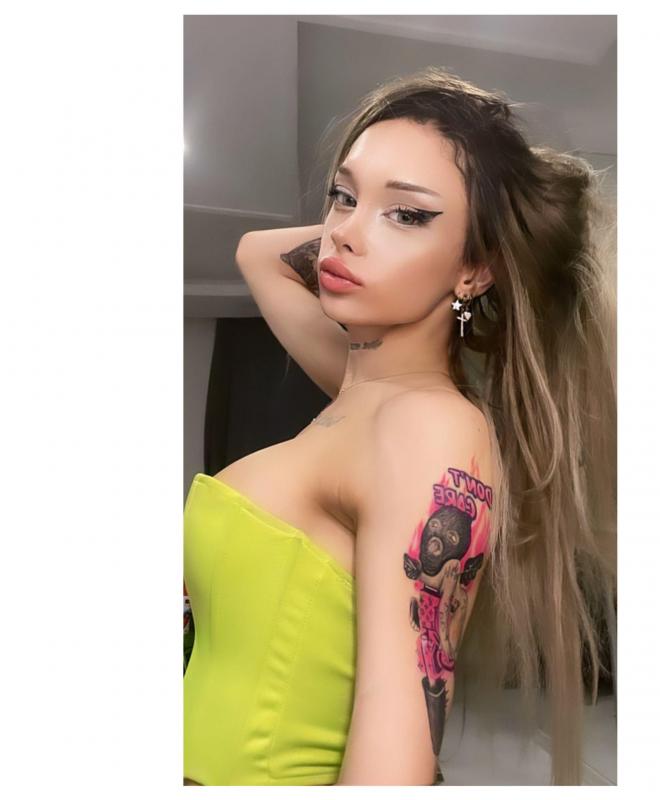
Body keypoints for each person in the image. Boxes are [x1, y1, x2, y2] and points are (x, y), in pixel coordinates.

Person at [183, 66, 616, 786]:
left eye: (408, 215)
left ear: (476, 270)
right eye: (342, 195)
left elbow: (394, 772)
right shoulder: (361, 389)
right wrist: (396, 223)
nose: (344, 234)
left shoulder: (426, 427)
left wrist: (482, 233)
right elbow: (256, 252)